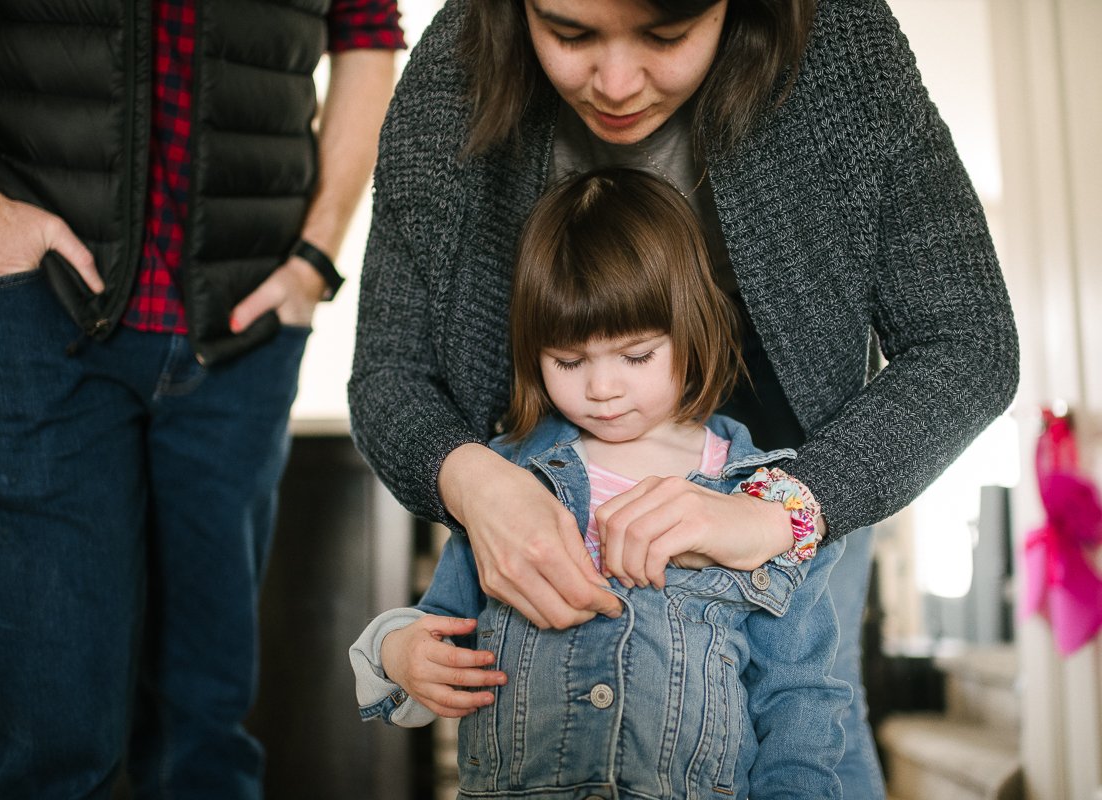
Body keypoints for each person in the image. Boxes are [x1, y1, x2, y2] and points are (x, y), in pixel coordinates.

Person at [348, 0, 1019, 796]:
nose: (618, 82)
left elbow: (970, 341)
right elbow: (390, 372)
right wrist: (474, 480)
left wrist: (785, 510)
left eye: (665, 37)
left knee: (810, 703)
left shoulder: (840, 39)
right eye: (570, 35)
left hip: (807, 451)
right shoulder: (455, 63)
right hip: (531, 445)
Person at [0, 1, 402, 797]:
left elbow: (368, 30)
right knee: (49, 744)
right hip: (27, 311)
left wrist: (314, 258)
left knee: (203, 734)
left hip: (241, 329)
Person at [351, 168, 851, 798]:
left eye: (636, 356)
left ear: (692, 332)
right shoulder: (510, 479)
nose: (602, 388)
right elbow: (439, 624)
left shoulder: (761, 494)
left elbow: (799, 698)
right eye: (568, 361)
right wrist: (400, 654)